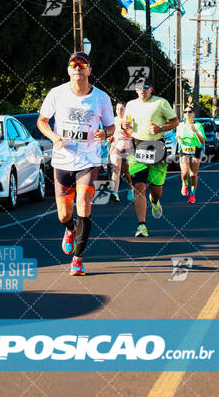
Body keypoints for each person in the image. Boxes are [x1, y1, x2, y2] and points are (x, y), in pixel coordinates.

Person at [37, 52, 115, 276]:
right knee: (63, 215)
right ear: (69, 70)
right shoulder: (57, 94)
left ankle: (78, 259)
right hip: (63, 159)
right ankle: (70, 229)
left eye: (82, 64)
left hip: (88, 160)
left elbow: (111, 127)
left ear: (89, 70)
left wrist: (104, 133)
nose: (78, 67)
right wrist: (54, 137)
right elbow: (42, 121)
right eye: (73, 64)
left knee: (83, 202)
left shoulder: (101, 98)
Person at [124, 77, 179, 237]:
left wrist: (160, 127)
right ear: (135, 89)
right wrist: (125, 126)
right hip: (136, 147)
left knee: (156, 189)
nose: (142, 89)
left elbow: (175, 121)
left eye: (146, 86)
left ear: (151, 89)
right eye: (139, 86)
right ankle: (142, 225)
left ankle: (155, 201)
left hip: (156, 146)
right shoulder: (130, 105)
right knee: (138, 187)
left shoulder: (161, 103)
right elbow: (127, 126)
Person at [176, 106, 206, 203]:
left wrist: (195, 131)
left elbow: (203, 141)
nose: (187, 113)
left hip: (195, 149)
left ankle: (192, 194)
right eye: (185, 111)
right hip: (184, 150)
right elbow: (177, 136)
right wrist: (179, 140)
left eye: (189, 111)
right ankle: (184, 184)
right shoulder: (180, 125)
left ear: (193, 114)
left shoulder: (198, 125)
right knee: (185, 173)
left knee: (193, 174)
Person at [109, 101, 134, 202]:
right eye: (118, 109)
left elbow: (131, 132)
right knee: (116, 169)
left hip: (127, 148)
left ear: (125, 109)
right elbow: (110, 132)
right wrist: (108, 137)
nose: (119, 111)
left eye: (121, 109)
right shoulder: (113, 120)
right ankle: (115, 193)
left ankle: (130, 188)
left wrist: (127, 129)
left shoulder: (128, 120)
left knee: (126, 173)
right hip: (116, 147)